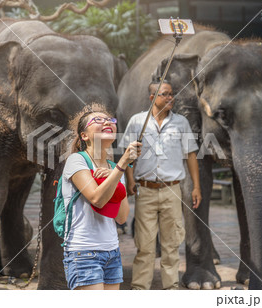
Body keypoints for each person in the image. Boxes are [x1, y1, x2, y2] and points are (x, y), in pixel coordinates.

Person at [119, 80, 202, 290]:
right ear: (152, 98)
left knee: (171, 244)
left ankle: (171, 287)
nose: (170, 98)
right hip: (145, 190)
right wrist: (130, 180)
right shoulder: (137, 122)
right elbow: (128, 155)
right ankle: (140, 288)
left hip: (172, 190)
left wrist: (196, 187)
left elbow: (191, 155)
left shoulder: (181, 123)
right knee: (144, 245)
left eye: (171, 94)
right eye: (165, 94)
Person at [62, 104, 142, 290]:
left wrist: (115, 176)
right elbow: (96, 199)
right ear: (84, 135)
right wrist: (122, 165)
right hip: (83, 252)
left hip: (112, 252)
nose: (107, 122)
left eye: (110, 120)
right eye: (98, 120)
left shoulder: (114, 168)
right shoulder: (77, 160)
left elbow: (121, 217)